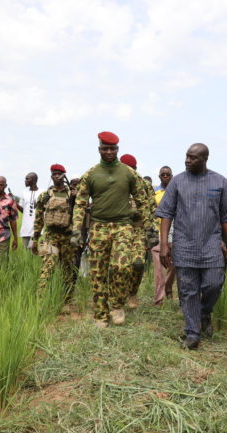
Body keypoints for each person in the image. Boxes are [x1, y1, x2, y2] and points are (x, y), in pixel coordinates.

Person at [156, 143, 227, 350]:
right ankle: (192, 332)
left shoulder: (219, 181)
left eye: (193, 158)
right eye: (187, 156)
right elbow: (166, 214)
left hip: (212, 244)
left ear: (204, 159)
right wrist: (164, 244)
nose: (187, 160)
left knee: (214, 284)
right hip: (184, 245)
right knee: (188, 290)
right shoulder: (177, 182)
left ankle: (205, 313)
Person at [71, 131, 154, 328]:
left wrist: (150, 229)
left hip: (123, 226)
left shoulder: (129, 173)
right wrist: (76, 230)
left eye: (113, 149)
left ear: (117, 149)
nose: (109, 152)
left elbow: (142, 202)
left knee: (121, 266)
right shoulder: (91, 174)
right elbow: (80, 204)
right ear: (99, 149)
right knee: (98, 272)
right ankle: (100, 314)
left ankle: (117, 305)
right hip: (98, 227)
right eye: (105, 148)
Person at [32, 164, 77, 299]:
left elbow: (79, 216)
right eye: (54, 174)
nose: (56, 176)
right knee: (47, 266)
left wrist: (77, 237)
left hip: (67, 237)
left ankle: (67, 298)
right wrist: (35, 239)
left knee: (67, 269)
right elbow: (38, 218)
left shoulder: (72, 194)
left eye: (59, 174)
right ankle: (40, 299)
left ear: (64, 176)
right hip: (50, 236)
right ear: (51, 176)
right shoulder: (45, 195)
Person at [120, 153, 156, 309]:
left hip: (138, 229)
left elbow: (152, 209)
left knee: (138, 263)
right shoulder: (115, 184)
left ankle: (132, 293)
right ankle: (118, 296)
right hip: (119, 229)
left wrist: (151, 232)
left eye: (131, 168)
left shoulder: (145, 185)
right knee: (120, 265)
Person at [151, 166, 176, 304]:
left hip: (174, 233)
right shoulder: (154, 193)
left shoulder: (177, 192)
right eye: (163, 175)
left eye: (168, 174)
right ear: (159, 177)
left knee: (173, 264)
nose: (165, 176)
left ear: (172, 176)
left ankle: (168, 288)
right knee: (158, 269)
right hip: (157, 233)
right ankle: (159, 299)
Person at [17, 172, 41, 251]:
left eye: (27, 179)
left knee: (32, 248)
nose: (25, 181)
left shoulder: (42, 193)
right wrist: (14, 203)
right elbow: (23, 210)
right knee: (26, 250)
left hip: (36, 227)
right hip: (25, 227)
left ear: (34, 180)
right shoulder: (24, 192)